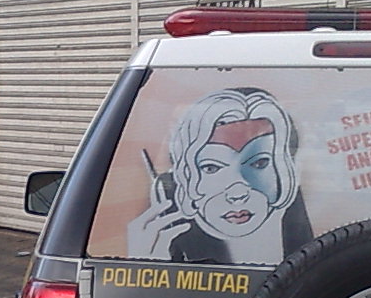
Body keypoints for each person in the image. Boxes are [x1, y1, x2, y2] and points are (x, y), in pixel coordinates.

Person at [128, 85, 312, 264]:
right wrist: (145, 269)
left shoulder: (316, 252)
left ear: (287, 170)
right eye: (211, 168)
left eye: (259, 163)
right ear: (184, 178)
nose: (237, 193)